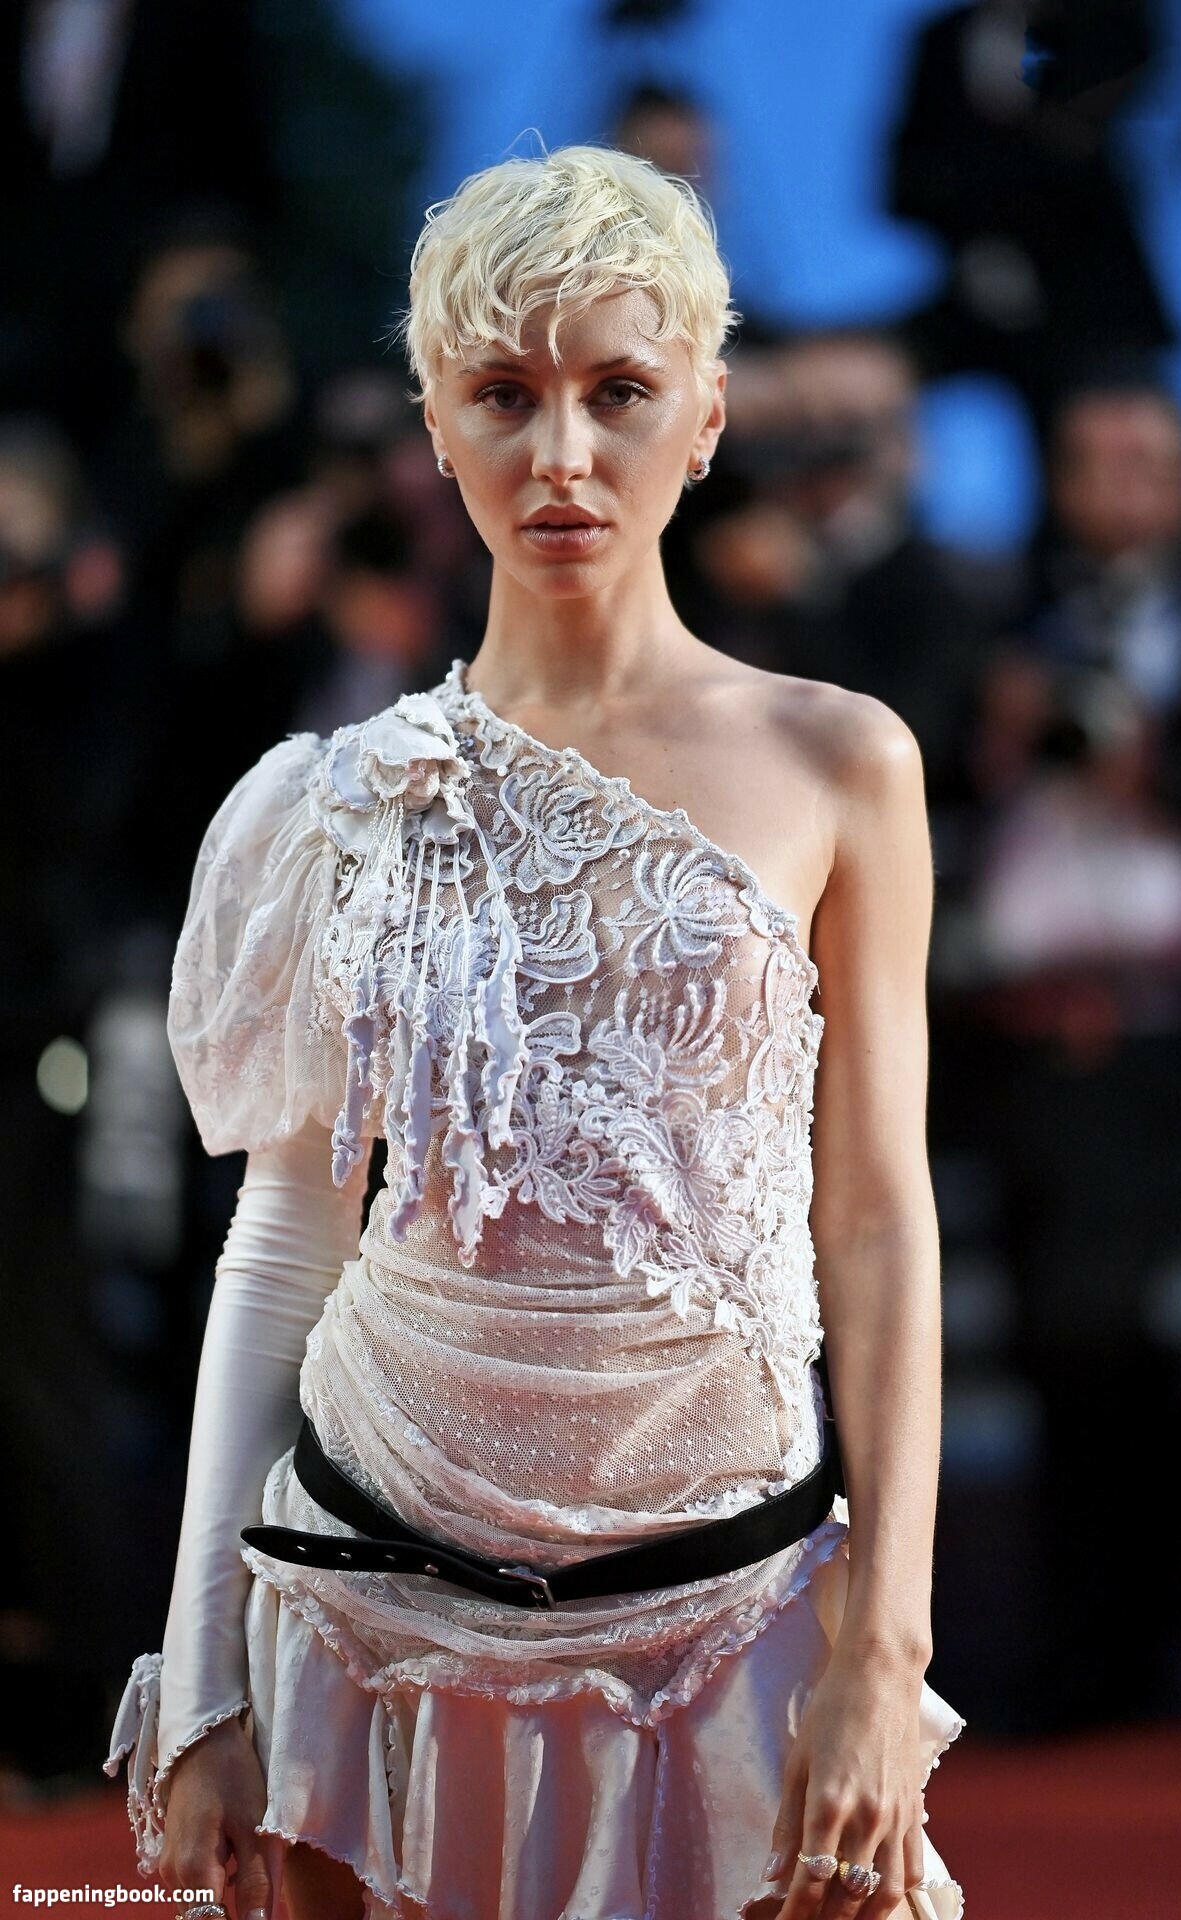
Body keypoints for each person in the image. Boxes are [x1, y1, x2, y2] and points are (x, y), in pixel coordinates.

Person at [103, 145, 965, 1920]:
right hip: (365, 1598)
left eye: (618, 392)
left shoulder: (840, 760)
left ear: (706, 416)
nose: (562, 454)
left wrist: (886, 1649)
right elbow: (283, 1238)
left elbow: (878, 1220)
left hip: (736, 1603)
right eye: (504, 394)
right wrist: (201, 1671)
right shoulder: (332, 804)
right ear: (436, 422)